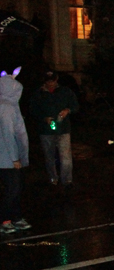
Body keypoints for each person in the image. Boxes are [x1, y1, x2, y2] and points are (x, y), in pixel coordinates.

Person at [31, 70, 79, 189]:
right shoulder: (38, 94)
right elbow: (33, 111)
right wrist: (44, 118)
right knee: (49, 156)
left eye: (52, 81)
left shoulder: (65, 91)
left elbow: (75, 106)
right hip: (46, 131)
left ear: (56, 80)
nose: (51, 83)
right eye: (48, 81)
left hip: (63, 129)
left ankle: (67, 181)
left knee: (66, 157)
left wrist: (67, 110)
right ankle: (53, 179)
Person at [0, 69, 31, 233]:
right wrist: (14, 158)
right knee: (13, 188)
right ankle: (5, 219)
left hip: (6, 157)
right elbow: (8, 133)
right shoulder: (6, 107)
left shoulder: (8, 105)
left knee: (16, 188)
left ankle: (16, 217)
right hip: (6, 158)